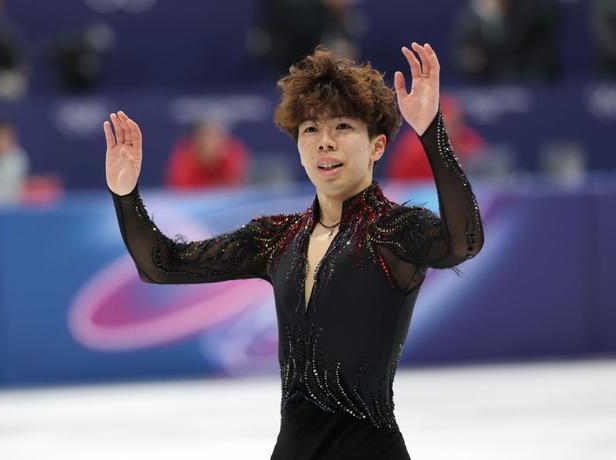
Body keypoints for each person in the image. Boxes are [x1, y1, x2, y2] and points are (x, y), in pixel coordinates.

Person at [104, 43, 484, 459]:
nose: (325, 142)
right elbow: (161, 265)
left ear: (376, 146)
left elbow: (463, 241)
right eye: (310, 130)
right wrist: (125, 195)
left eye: (342, 127)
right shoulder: (277, 238)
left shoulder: (393, 231)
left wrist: (432, 132)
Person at [386, 93, 486, 181]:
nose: (450, 128)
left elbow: (483, 172)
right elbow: (400, 181)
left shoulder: (468, 139)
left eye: (454, 122)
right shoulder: (415, 145)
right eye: (444, 123)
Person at [164, 119, 250, 190]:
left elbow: (237, 188)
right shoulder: (183, 162)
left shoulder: (232, 153)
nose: (212, 143)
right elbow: (182, 194)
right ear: (196, 140)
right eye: (207, 137)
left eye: (216, 137)